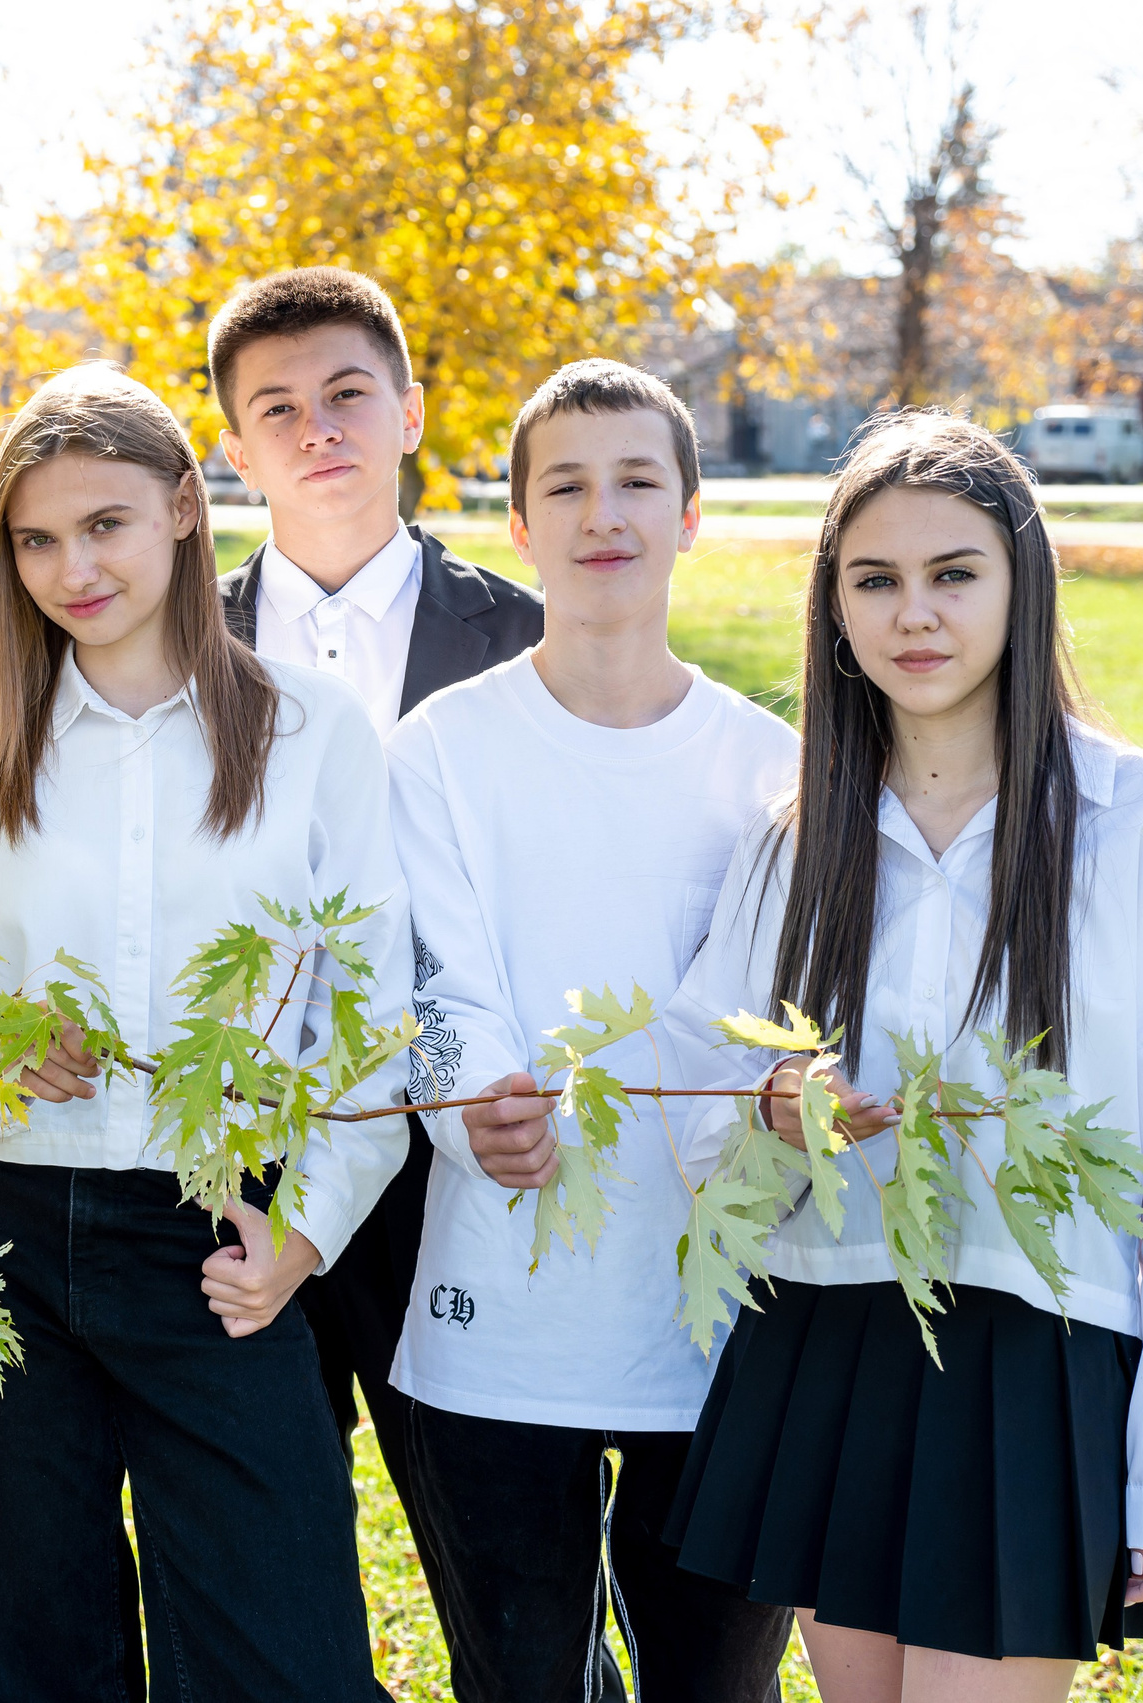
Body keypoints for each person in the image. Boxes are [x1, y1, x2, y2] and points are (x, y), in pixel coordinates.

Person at [659, 412, 1143, 1702]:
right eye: (874, 579)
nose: (914, 613)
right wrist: (772, 1105)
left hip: (1033, 1350)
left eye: (953, 573)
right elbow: (699, 1103)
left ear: (1020, 583)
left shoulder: (1131, 818)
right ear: (833, 606)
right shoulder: (795, 836)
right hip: (827, 1332)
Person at [0, 364, 410, 1702]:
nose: (73, 568)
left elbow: (372, 1022)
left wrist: (303, 1234)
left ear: (185, 505)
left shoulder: (310, 732)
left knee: (283, 1660)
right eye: (37, 539)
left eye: (105, 523)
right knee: (23, 1659)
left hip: (216, 1240)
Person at [383, 359, 799, 1703]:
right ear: (518, 522)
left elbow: (777, 1024)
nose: (602, 513)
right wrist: (471, 1107)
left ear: (690, 514)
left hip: (715, 1324)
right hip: (498, 1318)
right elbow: (429, 981)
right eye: (564, 485)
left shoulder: (773, 768)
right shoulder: (439, 748)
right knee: (519, 1680)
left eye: (636, 481)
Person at [205, 267, 542, 1529]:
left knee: (484, 1531)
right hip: (249, 1149)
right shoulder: (179, 646)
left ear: (410, 412)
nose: (318, 430)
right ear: (235, 451)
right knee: (264, 1539)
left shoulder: (527, 640)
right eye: (277, 409)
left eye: (347, 394)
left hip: (464, 1141)